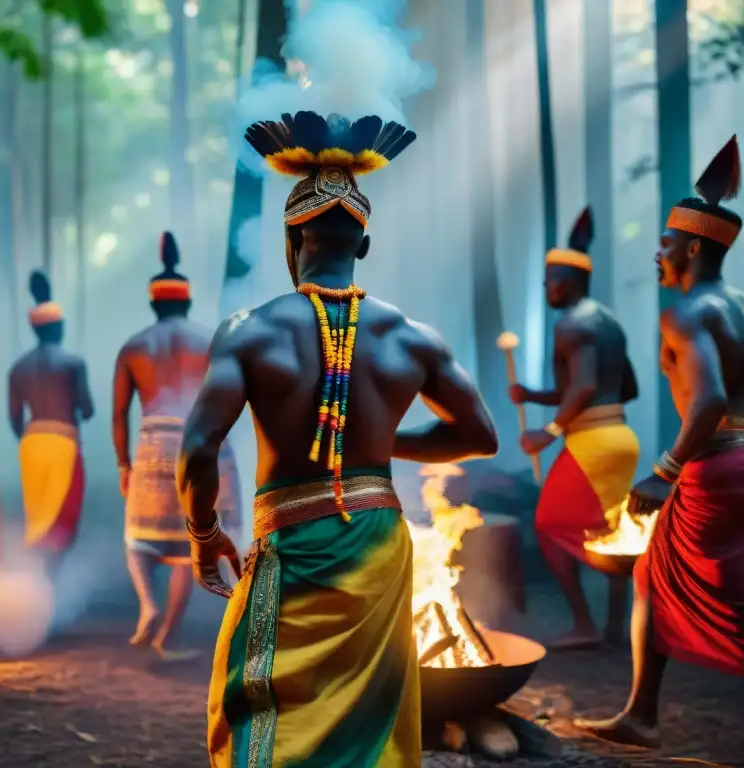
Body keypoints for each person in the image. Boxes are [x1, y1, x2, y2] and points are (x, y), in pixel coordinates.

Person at [177, 111, 499, 767]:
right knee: (369, 710)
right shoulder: (415, 337)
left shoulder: (249, 330)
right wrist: (380, 449)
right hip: (378, 540)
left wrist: (204, 537)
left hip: (293, 543)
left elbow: (198, 449)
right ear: (364, 245)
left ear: (293, 238)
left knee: (259, 694)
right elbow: (481, 436)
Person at [577, 137, 744, 748]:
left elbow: (712, 399)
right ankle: (640, 712)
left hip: (715, 468)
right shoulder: (738, 306)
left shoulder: (687, 312)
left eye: (667, 242)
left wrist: (666, 470)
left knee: (653, 575)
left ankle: (642, 717)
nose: (659, 250)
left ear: (694, 246)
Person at [511, 206, 640, 649]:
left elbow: (584, 386)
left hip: (591, 443)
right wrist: (533, 394)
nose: (546, 287)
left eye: (550, 280)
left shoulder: (571, 324)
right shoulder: (608, 323)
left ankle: (586, 620)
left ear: (569, 280)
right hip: (620, 436)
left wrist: (549, 430)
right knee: (609, 528)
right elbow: (622, 386)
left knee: (549, 525)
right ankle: (612, 629)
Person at [113, 232, 242, 660]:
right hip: (199, 440)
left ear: (154, 304)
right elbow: (227, 396)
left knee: (138, 537)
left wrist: (124, 466)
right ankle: (167, 635)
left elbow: (118, 415)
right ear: (186, 302)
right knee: (192, 538)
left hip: (152, 444)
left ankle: (147, 602)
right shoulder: (209, 340)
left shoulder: (133, 346)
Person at [9, 271, 92, 582]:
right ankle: (50, 585)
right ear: (59, 326)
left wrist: (34, 440)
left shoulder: (18, 368)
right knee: (61, 519)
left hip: (31, 444)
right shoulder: (73, 363)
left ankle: (41, 585)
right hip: (63, 442)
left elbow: (15, 419)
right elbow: (87, 408)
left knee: (39, 520)